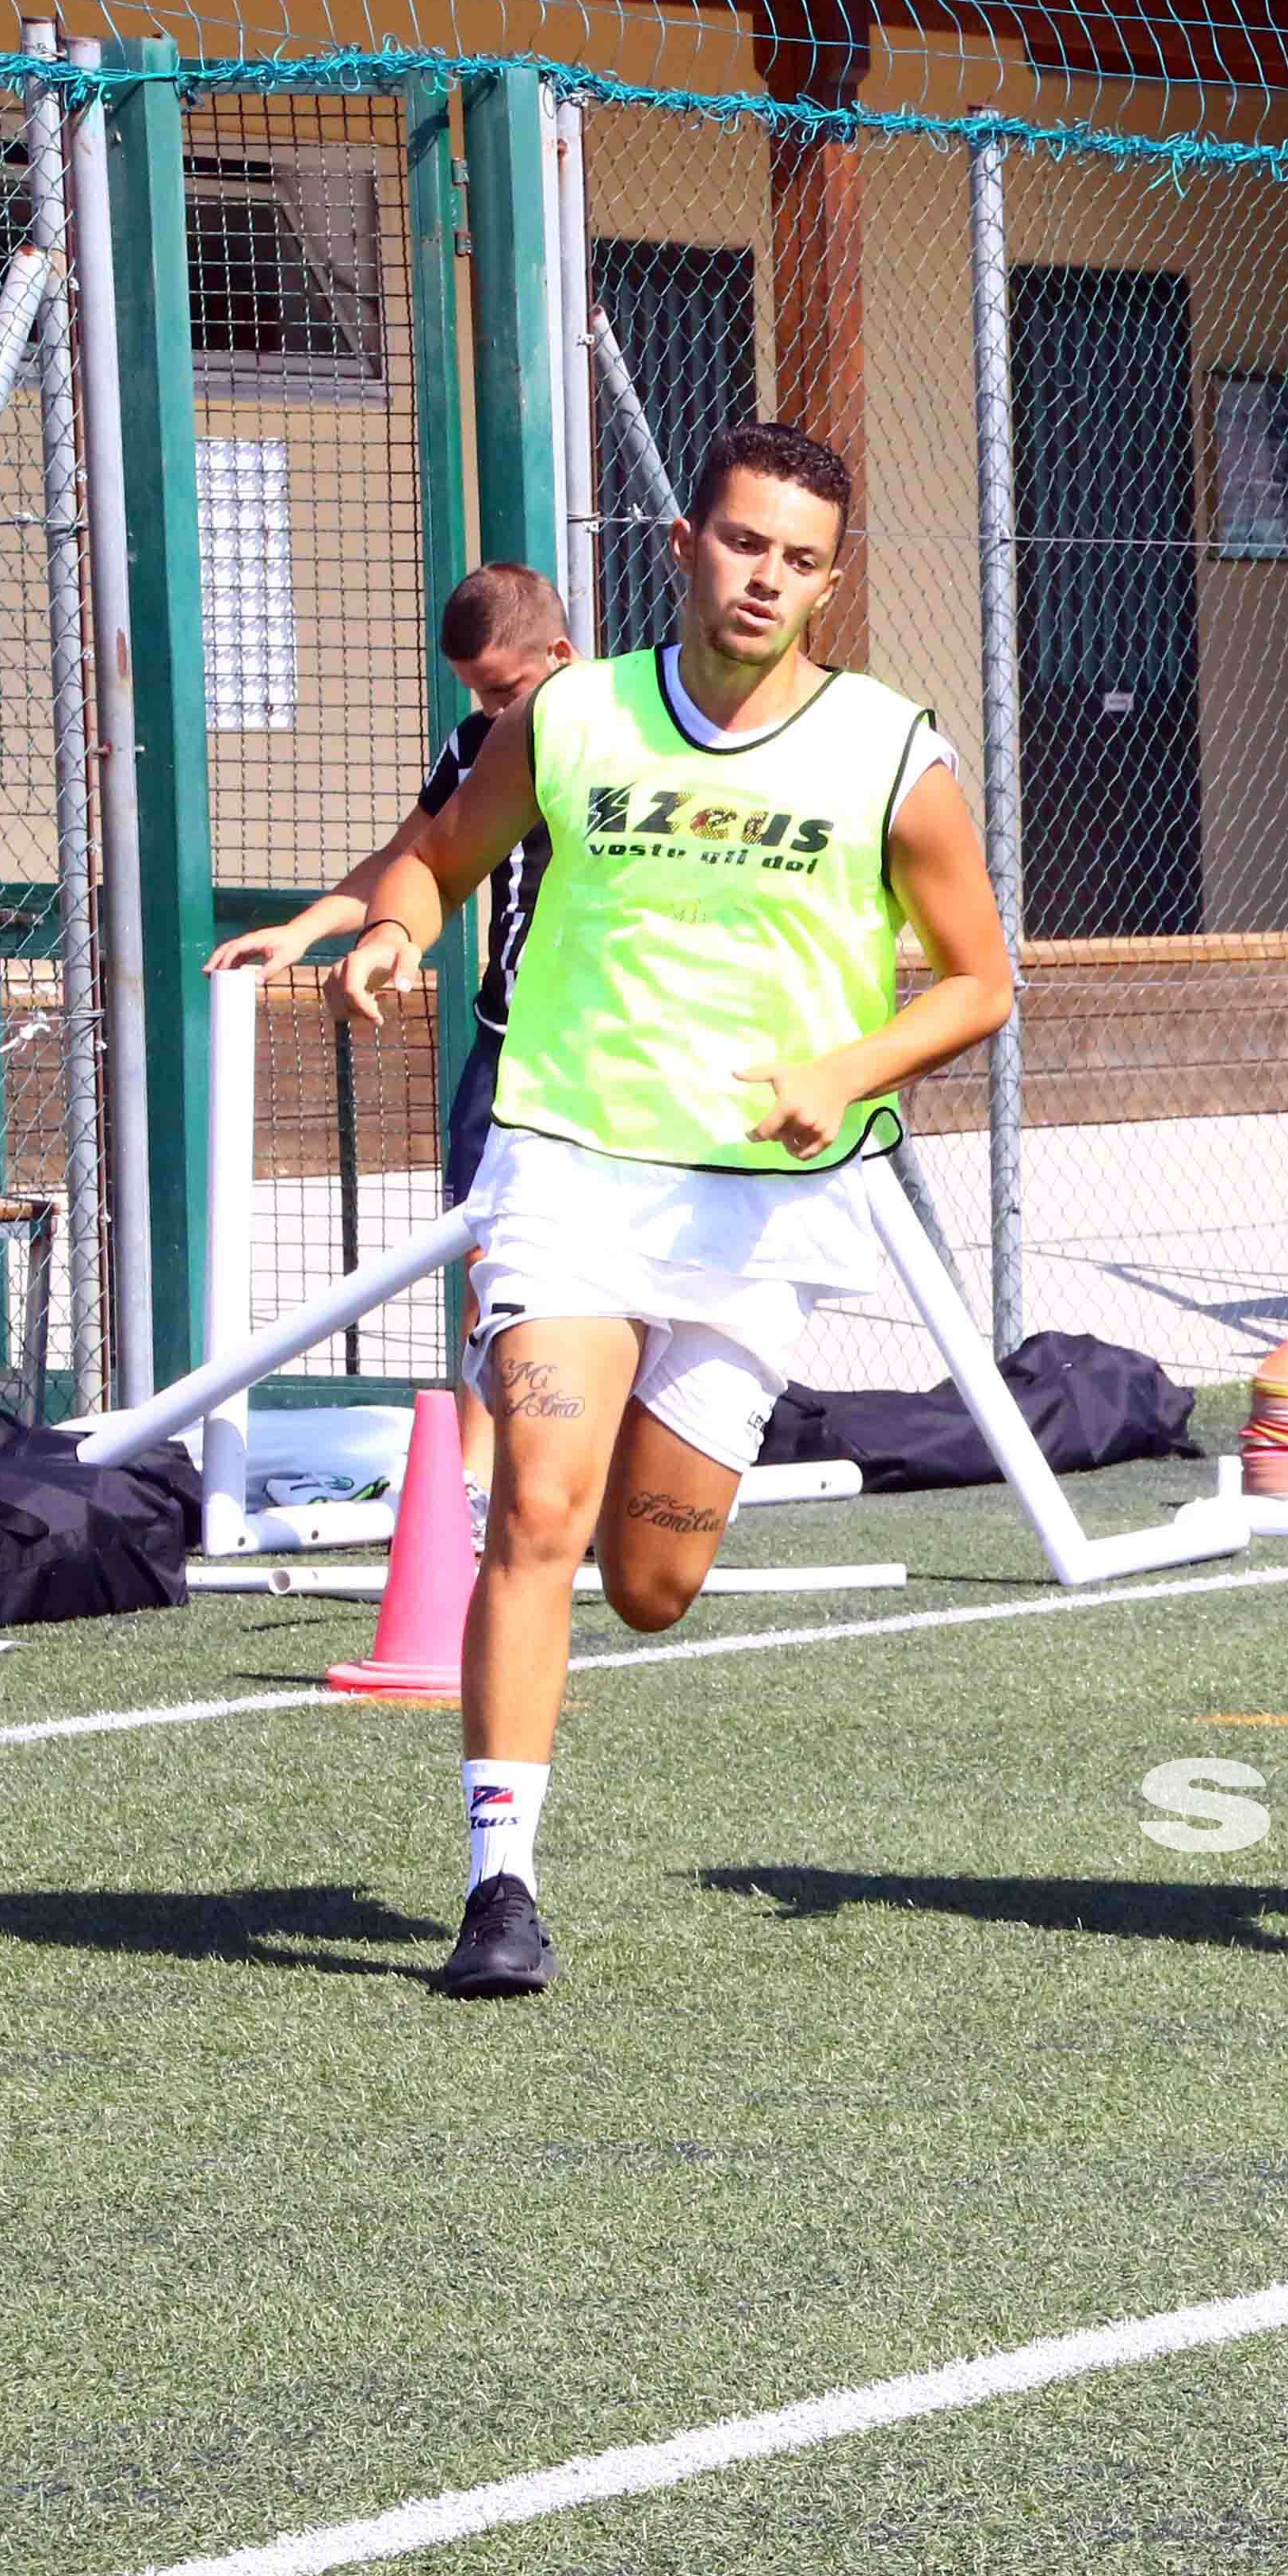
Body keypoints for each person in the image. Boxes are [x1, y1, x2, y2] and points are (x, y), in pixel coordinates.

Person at [336, 425, 1015, 2000]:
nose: (763, 576)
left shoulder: (892, 757)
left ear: (832, 584)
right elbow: (442, 859)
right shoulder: (573, 716)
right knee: (539, 1506)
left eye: (797, 557)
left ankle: (629, 1586)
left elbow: (981, 982)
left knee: (650, 1583)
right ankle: (499, 1885)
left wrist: (844, 1068)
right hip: (571, 1173)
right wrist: (390, 928)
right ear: (684, 543)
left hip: (761, 1222)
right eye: (741, 542)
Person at [207, 563, 578, 1502]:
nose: (491, 710)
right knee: (484, 1255)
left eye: (504, 689)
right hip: (507, 1046)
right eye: (476, 694)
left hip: (610, 1049)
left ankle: (600, 1457)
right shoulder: (476, 744)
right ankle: (475, 1476)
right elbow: (413, 859)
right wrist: (307, 931)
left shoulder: (618, 740)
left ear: (561, 659)